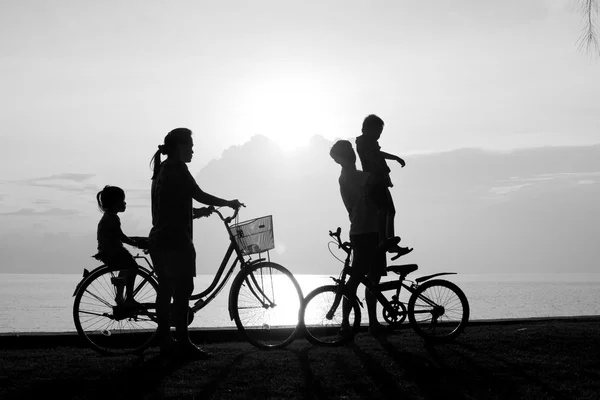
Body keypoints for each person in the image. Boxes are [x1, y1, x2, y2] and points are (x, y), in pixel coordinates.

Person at [149, 127, 243, 360]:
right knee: (181, 291)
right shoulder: (178, 169)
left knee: (168, 290)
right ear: (179, 147)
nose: (193, 150)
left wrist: (197, 213)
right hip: (176, 240)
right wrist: (227, 202)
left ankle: (168, 340)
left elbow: (170, 206)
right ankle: (181, 341)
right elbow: (198, 193)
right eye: (190, 145)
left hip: (161, 238)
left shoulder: (163, 170)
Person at [329, 140, 393, 336]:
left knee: (372, 279)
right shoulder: (349, 176)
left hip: (373, 230)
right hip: (362, 231)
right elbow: (374, 179)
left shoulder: (357, 174)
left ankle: (372, 323)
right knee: (355, 279)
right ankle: (346, 323)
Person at [355, 114, 412, 259]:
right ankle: (383, 240)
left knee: (390, 211)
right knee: (383, 210)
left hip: (380, 181)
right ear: (368, 128)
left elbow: (378, 154)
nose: (379, 134)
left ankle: (389, 242)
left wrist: (395, 157)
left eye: (381, 131)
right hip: (374, 182)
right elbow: (372, 156)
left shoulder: (370, 143)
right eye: (378, 130)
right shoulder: (363, 142)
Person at [94, 185, 144, 305]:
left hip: (107, 251)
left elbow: (117, 235)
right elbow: (120, 236)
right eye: (122, 201)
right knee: (133, 267)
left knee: (125, 268)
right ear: (115, 203)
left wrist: (134, 240)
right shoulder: (112, 218)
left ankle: (120, 296)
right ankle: (129, 298)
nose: (125, 203)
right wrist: (134, 243)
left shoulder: (108, 217)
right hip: (113, 251)